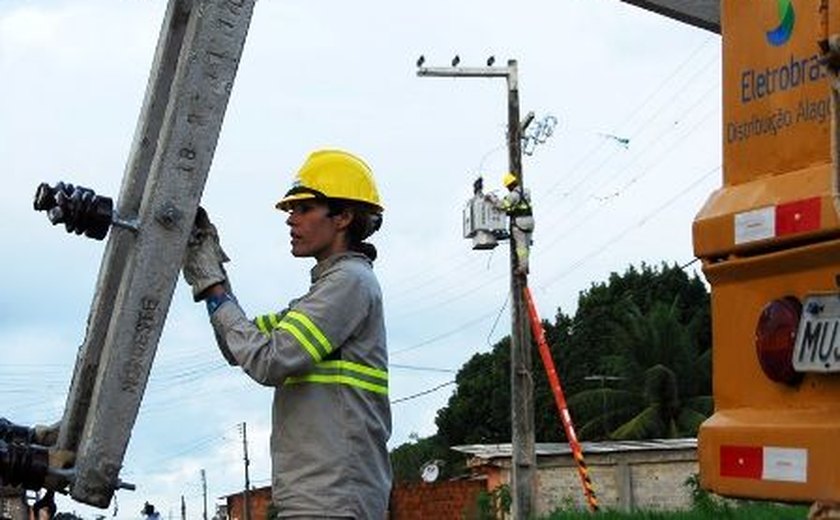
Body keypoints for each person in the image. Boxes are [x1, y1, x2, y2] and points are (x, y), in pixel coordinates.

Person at [182, 149, 392, 519]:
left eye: (304, 208)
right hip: (316, 499)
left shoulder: (348, 284)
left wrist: (211, 283)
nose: (291, 220)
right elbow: (239, 347)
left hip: (332, 502)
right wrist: (211, 271)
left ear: (342, 216)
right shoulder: (320, 296)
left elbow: (268, 361)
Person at [491, 172, 534, 275]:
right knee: (527, 246)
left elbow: (502, 205)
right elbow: (520, 206)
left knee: (521, 247)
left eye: (508, 187)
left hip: (520, 223)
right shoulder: (526, 191)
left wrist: (493, 199)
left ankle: (522, 268)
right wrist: (511, 211)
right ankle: (525, 265)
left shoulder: (513, 195)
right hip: (530, 221)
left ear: (510, 185)